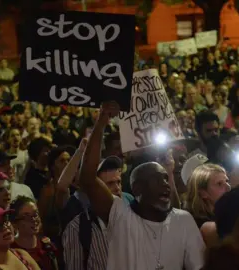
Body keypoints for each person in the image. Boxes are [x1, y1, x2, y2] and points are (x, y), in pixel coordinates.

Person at [78, 101, 204, 269]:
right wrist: (101, 122)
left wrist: (169, 171)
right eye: (157, 180)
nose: (165, 185)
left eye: (166, 179)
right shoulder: (120, 216)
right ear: (137, 189)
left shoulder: (183, 220)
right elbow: (87, 178)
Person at [10, 196, 58, 270]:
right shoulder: (11, 251)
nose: (34, 220)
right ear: (15, 223)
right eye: (27, 216)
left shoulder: (47, 246)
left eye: (35, 214)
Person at [183, 164, 231, 228]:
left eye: (227, 181)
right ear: (203, 193)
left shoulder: (224, 214)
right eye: (219, 184)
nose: (228, 187)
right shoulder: (200, 224)